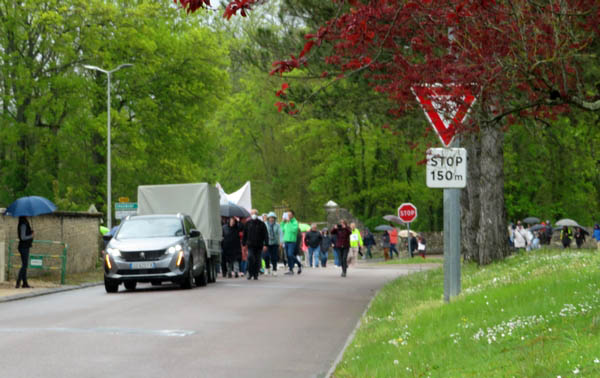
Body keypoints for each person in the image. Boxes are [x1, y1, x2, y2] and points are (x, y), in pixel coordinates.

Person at [243, 209, 269, 280]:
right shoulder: (247, 224)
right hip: (250, 245)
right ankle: (250, 272)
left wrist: (266, 244)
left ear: (257, 215)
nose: (253, 215)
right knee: (250, 258)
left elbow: (265, 235)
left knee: (257, 260)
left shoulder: (261, 224)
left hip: (259, 245)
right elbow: (245, 234)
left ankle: (255, 274)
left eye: (254, 213)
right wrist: (244, 244)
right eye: (252, 213)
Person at [281, 210, 302, 275]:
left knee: (290, 254)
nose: (288, 216)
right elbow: (282, 229)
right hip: (286, 241)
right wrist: (283, 222)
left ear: (292, 215)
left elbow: (294, 230)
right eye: (287, 215)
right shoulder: (286, 222)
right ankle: (291, 269)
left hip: (292, 241)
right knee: (288, 256)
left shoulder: (295, 222)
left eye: (289, 215)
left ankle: (299, 264)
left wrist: (289, 222)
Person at [16, 216, 34, 288]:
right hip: (23, 247)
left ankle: (25, 283)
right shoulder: (23, 224)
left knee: (25, 265)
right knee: (24, 265)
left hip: (25, 246)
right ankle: (18, 282)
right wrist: (31, 235)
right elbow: (23, 237)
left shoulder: (25, 223)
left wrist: (30, 232)